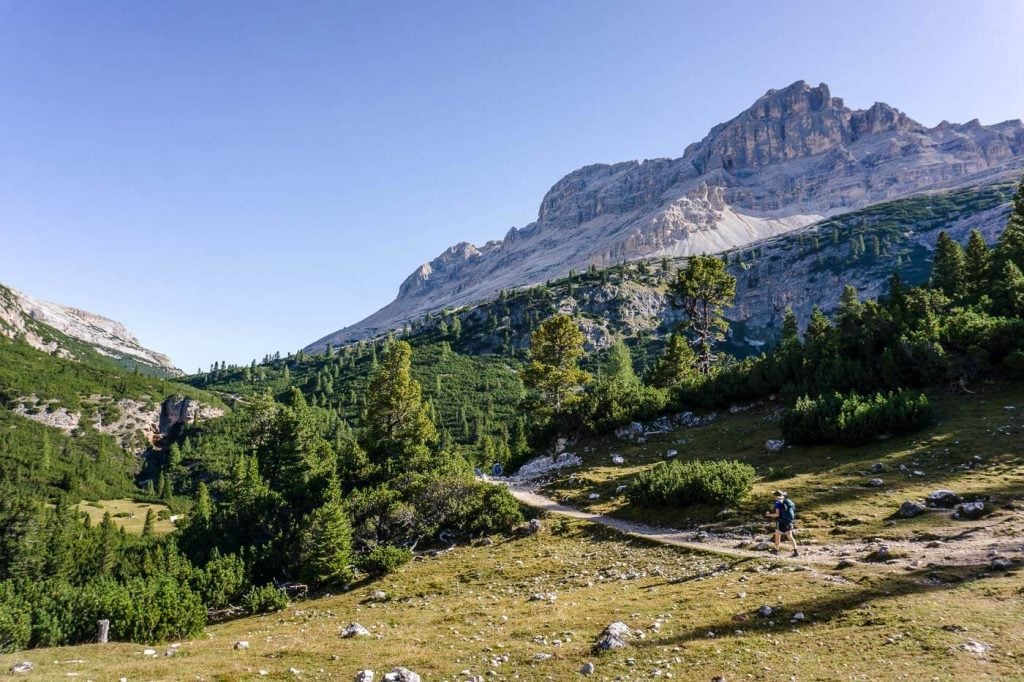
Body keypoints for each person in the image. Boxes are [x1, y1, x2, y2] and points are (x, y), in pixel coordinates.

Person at [765, 489, 798, 557]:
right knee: (790, 536)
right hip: (789, 521)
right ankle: (796, 551)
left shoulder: (778, 503)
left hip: (781, 522)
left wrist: (769, 515)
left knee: (777, 535)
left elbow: (777, 514)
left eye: (774, 495)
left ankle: (776, 550)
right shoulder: (787, 501)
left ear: (776, 496)